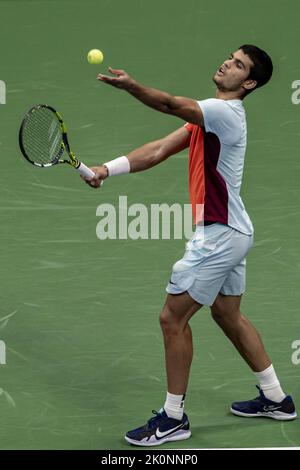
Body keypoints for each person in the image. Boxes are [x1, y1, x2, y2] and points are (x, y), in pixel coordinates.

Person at [82, 45, 297, 447]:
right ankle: (275, 398)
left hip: (219, 236)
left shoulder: (223, 112)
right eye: (229, 57)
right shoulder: (208, 116)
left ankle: (173, 418)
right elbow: (159, 150)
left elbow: (166, 103)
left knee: (172, 318)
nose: (226, 64)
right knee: (228, 315)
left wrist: (131, 87)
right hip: (235, 229)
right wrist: (105, 169)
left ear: (248, 83)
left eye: (237, 65)